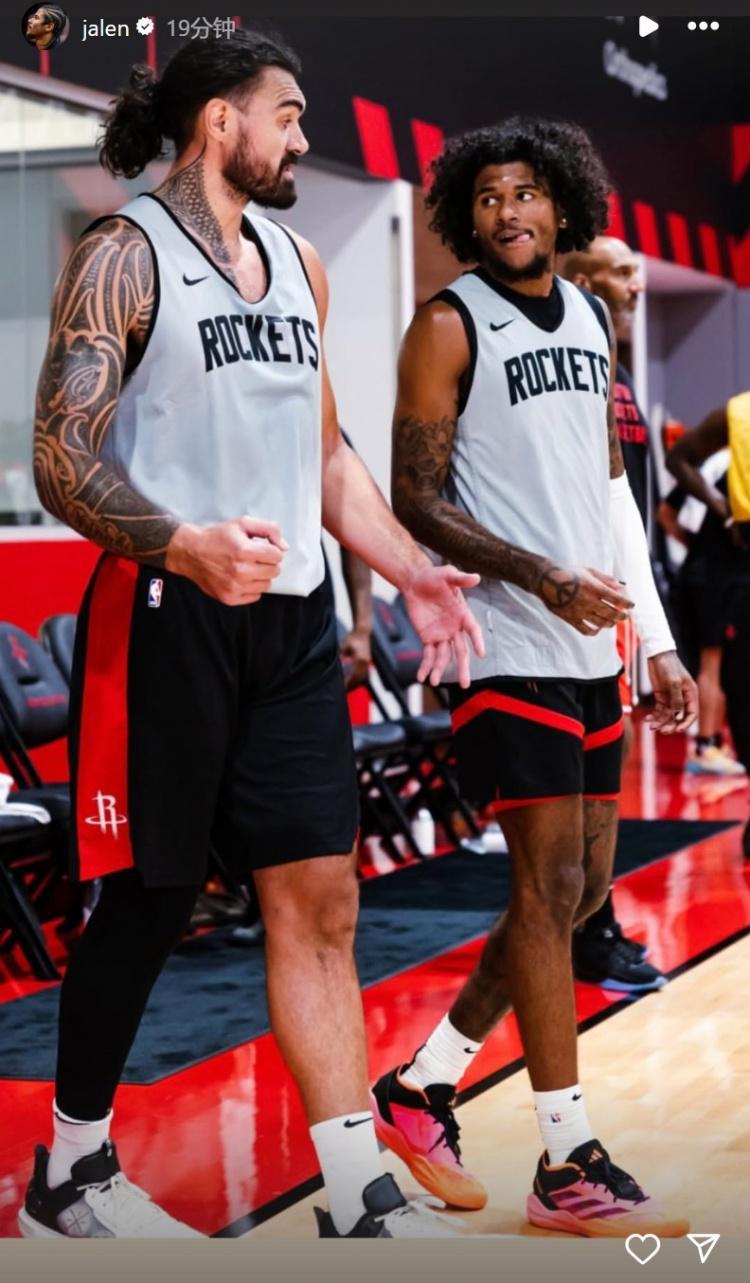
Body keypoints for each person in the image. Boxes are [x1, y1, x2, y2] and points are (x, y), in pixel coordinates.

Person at [22, 31, 484, 1240]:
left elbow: (324, 454)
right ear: (220, 122)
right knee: (150, 899)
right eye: (288, 115)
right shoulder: (123, 255)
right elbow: (61, 457)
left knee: (322, 895)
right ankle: (70, 1170)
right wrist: (184, 544)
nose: (302, 137)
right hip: (165, 609)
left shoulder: (299, 263)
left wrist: (412, 570)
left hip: (290, 623)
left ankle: (357, 1193)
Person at [374, 117, 696, 1235]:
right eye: (488, 198)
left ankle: (423, 1084)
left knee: (581, 893)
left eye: (526, 193)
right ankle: (567, 1156)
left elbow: (609, 494)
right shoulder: (447, 323)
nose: (508, 211)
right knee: (547, 886)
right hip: (507, 641)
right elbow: (416, 497)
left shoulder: (593, 318)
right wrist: (538, 575)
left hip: (591, 645)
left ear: (564, 205)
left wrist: (655, 638)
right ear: (465, 218)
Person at [559, 237, 668, 993]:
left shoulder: (617, 374)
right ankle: (582, 925)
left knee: (611, 767)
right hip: (578, 600)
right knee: (581, 778)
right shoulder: (571, 365)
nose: (637, 284)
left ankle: (596, 916)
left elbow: (630, 494)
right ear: (583, 278)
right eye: (623, 271)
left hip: (628, 591)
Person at [666, 393, 750, 850]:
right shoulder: (736, 416)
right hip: (730, 572)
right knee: (732, 677)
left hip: (723, 574)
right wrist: (722, 509)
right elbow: (677, 466)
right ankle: (709, 744)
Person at [657, 469, 746, 777]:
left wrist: (697, 547)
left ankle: (713, 742)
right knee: (714, 660)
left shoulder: (713, 471)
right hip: (715, 580)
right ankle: (706, 745)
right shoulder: (733, 475)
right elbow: (665, 514)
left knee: (718, 660)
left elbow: (665, 513)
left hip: (706, 575)